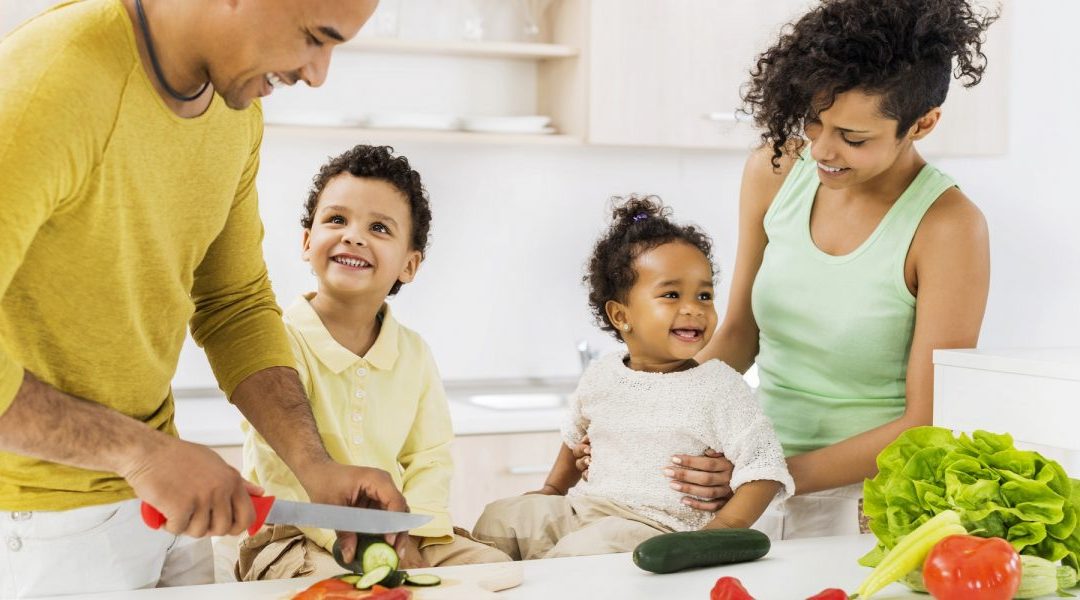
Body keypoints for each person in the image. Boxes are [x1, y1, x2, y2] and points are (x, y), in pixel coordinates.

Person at [0, 0, 412, 597]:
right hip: (40, 520)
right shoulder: (52, 80)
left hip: (161, 507)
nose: (318, 73)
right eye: (314, 38)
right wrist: (141, 454)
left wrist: (314, 467)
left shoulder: (234, 107)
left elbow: (234, 302)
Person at [573, 0, 995, 539]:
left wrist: (764, 478)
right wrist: (639, 418)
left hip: (868, 501)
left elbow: (926, 420)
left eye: (853, 137)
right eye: (813, 121)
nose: (822, 149)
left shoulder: (949, 227)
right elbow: (739, 335)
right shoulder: (776, 170)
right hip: (751, 480)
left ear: (923, 123)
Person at [235, 144, 512, 580]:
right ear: (307, 242)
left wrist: (412, 539)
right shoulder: (278, 341)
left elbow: (430, 458)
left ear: (409, 264)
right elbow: (279, 465)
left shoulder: (414, 353)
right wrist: (360, 543)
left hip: (397, 533)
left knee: (495, 572)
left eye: (379, 227)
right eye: (336, 219)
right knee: (343, 589)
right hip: (296, 536)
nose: (353, 235)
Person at [472, 196, 793, 560]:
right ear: (621, 315)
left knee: (585, 553)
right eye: (672, 294)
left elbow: (764, 469)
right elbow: (574, 438)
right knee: (501, 517)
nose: (694, 308)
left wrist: (716, 536)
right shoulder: (603, 374)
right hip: (585, 510)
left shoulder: (720, 386)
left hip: (657, 528)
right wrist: (551, 489)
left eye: (704, 295)